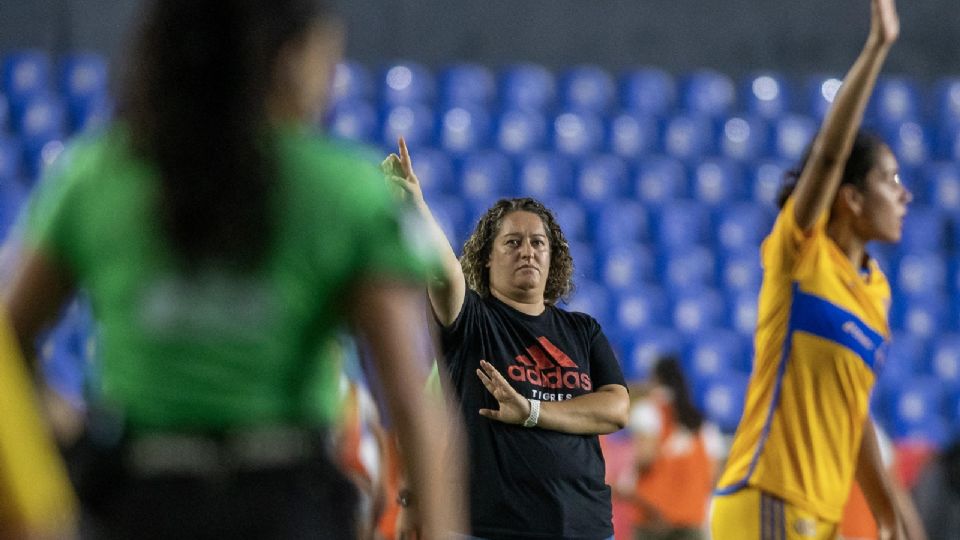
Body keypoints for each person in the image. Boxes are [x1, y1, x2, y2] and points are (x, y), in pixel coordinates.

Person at [1, 0, 463, 538]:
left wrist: (75, 433)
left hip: (139, 503)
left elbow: (7, 341)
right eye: (327, 55)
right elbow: (411, 405)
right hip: (289, 507)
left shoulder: (94, 176)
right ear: (290, 59)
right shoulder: (349, 192)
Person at [710, 0, 924, 538]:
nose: (905, 195)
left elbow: (854, 415)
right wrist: (878, 47)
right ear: (850, 197)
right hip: (767, 501)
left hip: (821, 521)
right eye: (890, 180)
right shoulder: (799, 253)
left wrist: (890, 515)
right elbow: (829, 155)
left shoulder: (876, 291)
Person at [383, 138, 630, 539]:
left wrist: (531, 411)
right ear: (486, 256)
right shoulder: (473, 319)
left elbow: (616, 408)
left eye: (538, 243)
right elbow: (444, 274)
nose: (528, 252)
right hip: (493, 529)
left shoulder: (583, 330)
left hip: (587, 527)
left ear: (553, 257)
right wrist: (417, 208)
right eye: (512, 243)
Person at [615, 357, 717, 540]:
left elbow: (645, 458)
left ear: (655, 379)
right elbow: (713, 472)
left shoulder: (648, 410)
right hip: (692, 517)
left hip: (654, 518)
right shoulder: (701, 421)